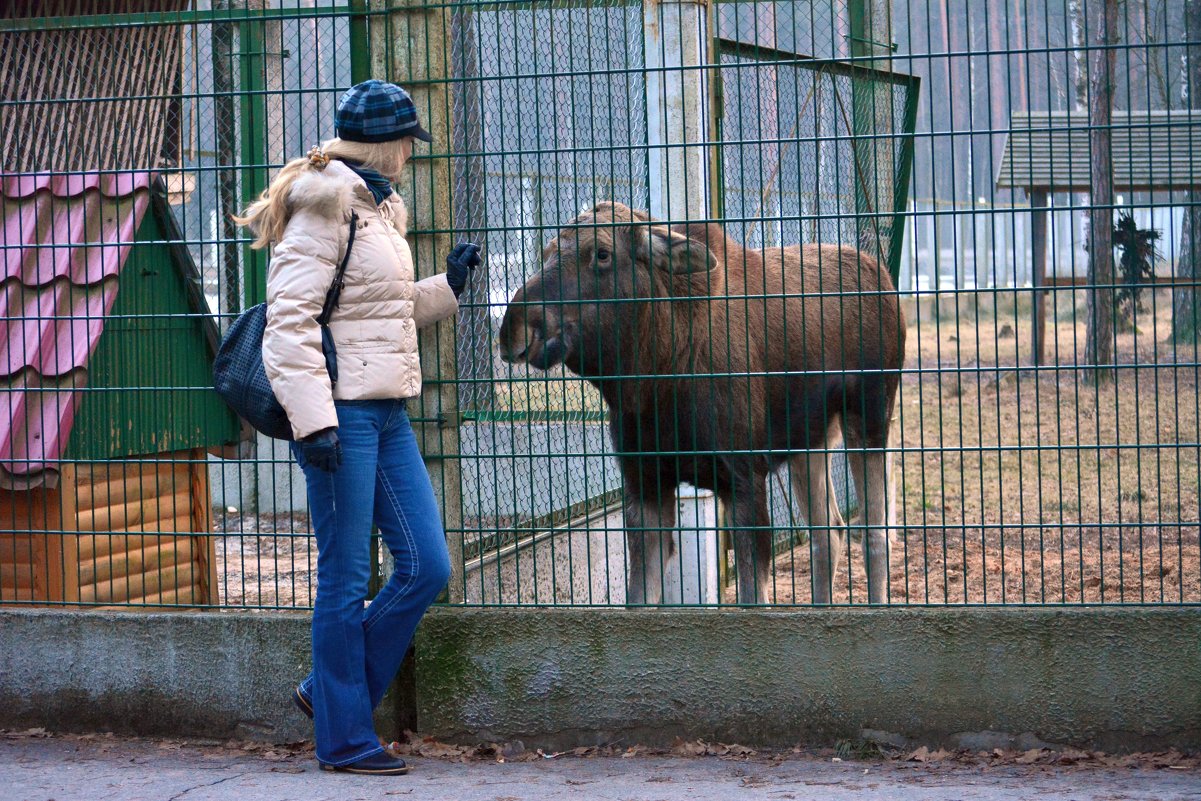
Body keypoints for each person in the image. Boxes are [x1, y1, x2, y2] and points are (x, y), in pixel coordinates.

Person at [235, 79, 481, 776]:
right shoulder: (325, 203)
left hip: (386, 407)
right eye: (408, 139)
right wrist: (314, 423)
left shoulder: (378, 204)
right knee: (344, 577)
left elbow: (379, 308)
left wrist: (446, 287)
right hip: (338, 415)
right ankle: (344, 739)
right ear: (385, 141)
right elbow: (288, 325)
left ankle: (327, 692)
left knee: (426, 563)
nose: (411, 152)